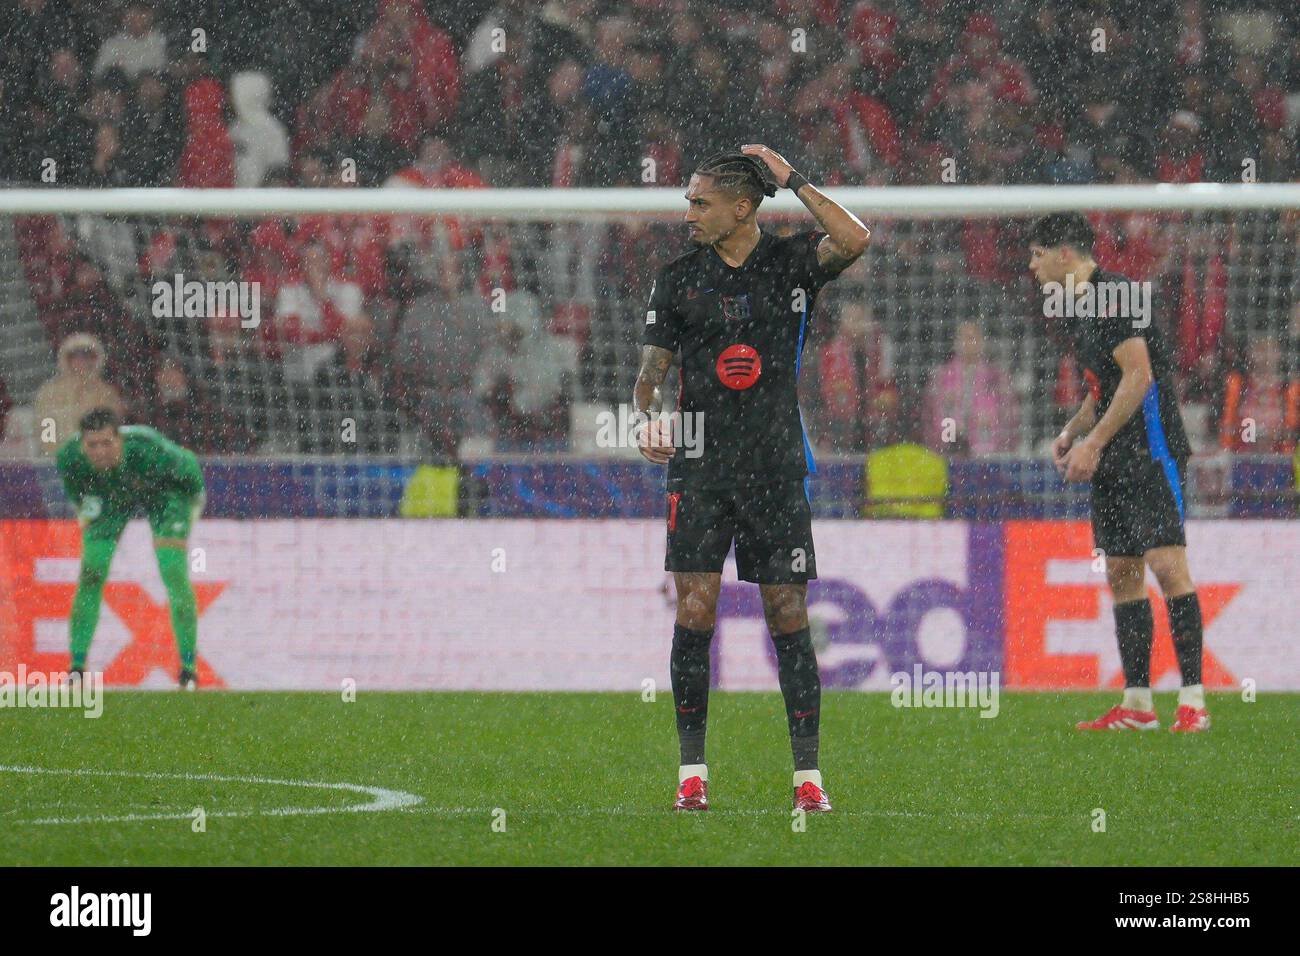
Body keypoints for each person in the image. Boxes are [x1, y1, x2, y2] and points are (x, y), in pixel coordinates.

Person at [634, 146, 870, 812]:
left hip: (774, 467)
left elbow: (855, 236)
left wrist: (793, 177)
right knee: (696, 608)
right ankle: (691, 773)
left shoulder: (794, 264)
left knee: (787, 610)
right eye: (687, 201)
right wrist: (647, 418)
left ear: (743, 207)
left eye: (700, 202)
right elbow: (650, 373)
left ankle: (808, 781)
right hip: (700, 469)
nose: (688, 214)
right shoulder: (676, 278)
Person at [1029, 212, 1208, 732]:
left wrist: (1094, 443)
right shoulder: (1079, 306)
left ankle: (1193, 701)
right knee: (1122, 571)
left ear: (1066, 254)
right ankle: (1137, 705)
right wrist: (1073, 430)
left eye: (1038, 255)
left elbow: (1139, 376)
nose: (1033, 267)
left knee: (1168, 565)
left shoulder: (1116, 294)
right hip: (1113, 455)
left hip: (1149, 449)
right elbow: (1103, 387)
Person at [56, 407, 206, 689]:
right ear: (82, 444)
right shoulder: (69, 460)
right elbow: (80, 501)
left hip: (164, 494)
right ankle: (76, 667)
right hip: (108, 498)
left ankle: (188, 670)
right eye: (92, 445)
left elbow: (188, 467)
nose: (100, 451)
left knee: (173, 569)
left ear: (120, 440)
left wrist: (194, 505)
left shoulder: (148, 446)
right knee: (92, 571)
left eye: (106, 443)